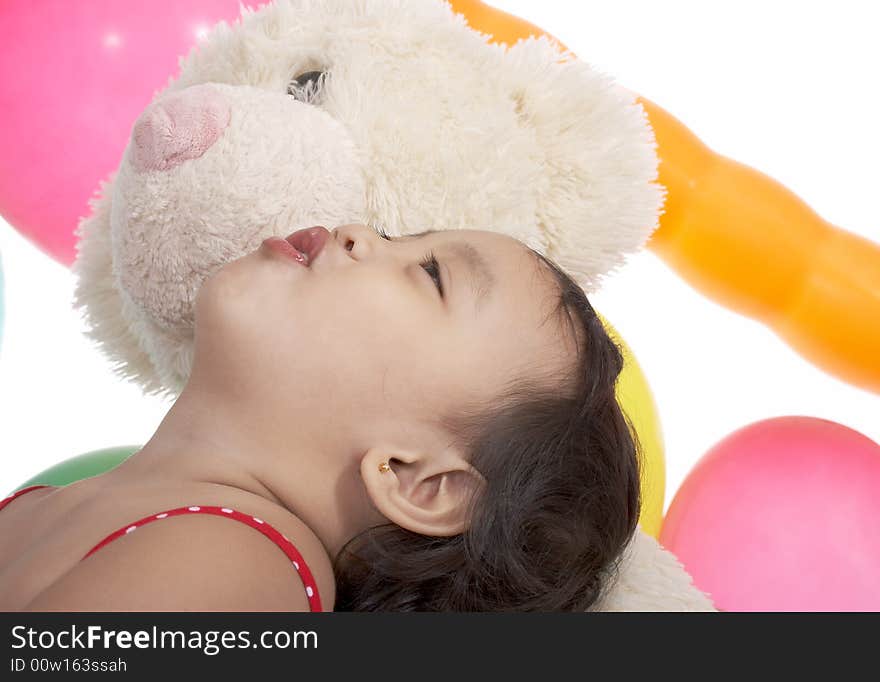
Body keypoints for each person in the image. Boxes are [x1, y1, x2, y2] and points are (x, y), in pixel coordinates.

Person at [0, 224, 641, 612]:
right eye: (400, 234)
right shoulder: (57, 504)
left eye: (430, 272)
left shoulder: (241, 563)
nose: (360, 232)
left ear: (419, 481)